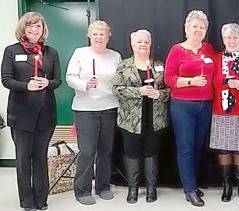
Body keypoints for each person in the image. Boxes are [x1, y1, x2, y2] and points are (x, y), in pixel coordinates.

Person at [1, 11, 61, 211]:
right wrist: (26, 86)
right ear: (23, 28)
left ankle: (41, 199)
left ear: (43, 29)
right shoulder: (12, 51)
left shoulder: (51, 52)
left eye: (38, 26)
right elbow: (6, 79)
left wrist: (47, 82)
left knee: (40, 157)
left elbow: (57, 80)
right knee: (23, 159)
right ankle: (27, 201)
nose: (34, 29)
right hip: (21, 115)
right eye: (30, 26)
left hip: (46, 113)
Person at [66, 20, 121, 205]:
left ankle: (103, 186)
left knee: (105, 151)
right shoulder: (80, 53)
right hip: (85, 109)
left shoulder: (115, 56)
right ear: (90, 35)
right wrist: (84, 85)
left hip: (109, 108)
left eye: (102, 34)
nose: (98, 37)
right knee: (87, 151)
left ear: (108, 37)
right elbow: (70, 77)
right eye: (95, 33)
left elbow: (119, 80)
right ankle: (82, 190)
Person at [111, 29, 170, 204]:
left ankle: (152, 188)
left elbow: (170, 90)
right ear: (132, 44)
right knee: (132, 153)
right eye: (139, 42)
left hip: (155, 118)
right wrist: (139, 91)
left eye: (146, 42)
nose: (142, 45)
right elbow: (116, 89)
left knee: (152, 152)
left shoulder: (159, 65)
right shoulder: (124, 65)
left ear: (150, 44)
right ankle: (133, 188)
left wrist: (159, 94)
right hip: (130, 120)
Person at [164, 9, 215, 207]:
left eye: (202, 27)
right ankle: (189, 189)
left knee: (197, 146)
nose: (198, 30)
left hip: (206, 104)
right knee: (185, 147)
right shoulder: (177, 50)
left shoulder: (209, 49)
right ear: (186, 29)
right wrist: (190, 81)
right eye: (195, 26)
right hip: (183, 106)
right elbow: (168, 78)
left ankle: (192, 182)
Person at [209, 23, 239, 204]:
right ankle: (227, 186)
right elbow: (210, 83)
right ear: (223, 39)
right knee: (223, 149)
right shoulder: (216, 58)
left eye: (235, 37)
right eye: (228, 37)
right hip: (221, 111)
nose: (232, 41)